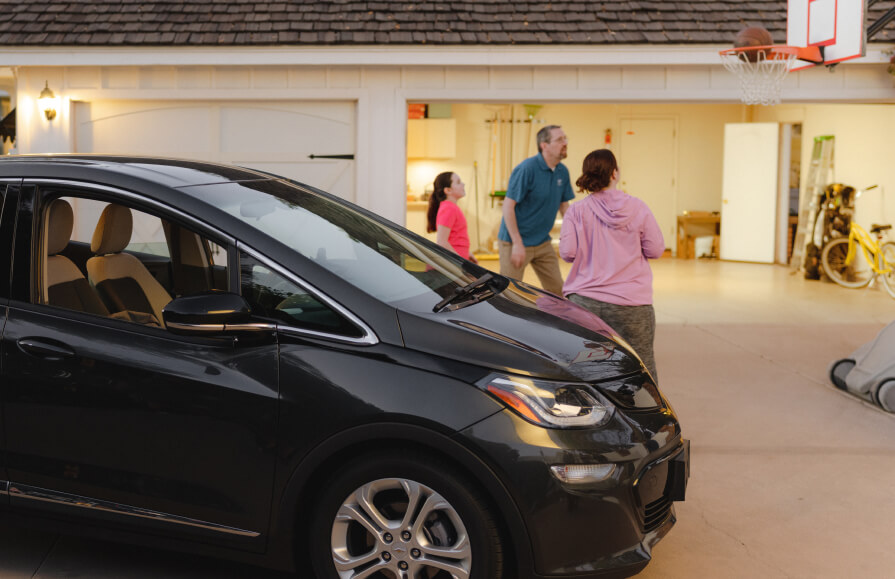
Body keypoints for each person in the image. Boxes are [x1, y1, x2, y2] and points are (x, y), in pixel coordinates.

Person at [559, 149, 665, 380]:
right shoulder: (638, 207)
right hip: (632, 304)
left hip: (585, 302)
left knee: (586, 367)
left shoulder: (576, 211)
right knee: (641, 366)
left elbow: (567, 253)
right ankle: (646, 413)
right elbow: (656, 250)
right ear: (615, 173)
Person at [498, 125, 574, 296]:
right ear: (544, 145)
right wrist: (517, 243)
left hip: (542, 242)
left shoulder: (562, 171)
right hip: (514, 242)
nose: (565, 142)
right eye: (560, 139)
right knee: (509, 294)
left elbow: (564, 206)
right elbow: (508, 206)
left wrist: (574, 235)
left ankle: (557, 322)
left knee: (558, 291)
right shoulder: (526, 169)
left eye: (565, 138)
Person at [427, 171, 477, 262]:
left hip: (458, 259)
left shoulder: (452, 207)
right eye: (458, 182)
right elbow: (442, 242)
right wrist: (461, 263)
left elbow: (456, 237)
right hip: (454, 263)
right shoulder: (448, 208)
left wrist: (467, 253)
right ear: (448, 190)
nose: (463, 184)